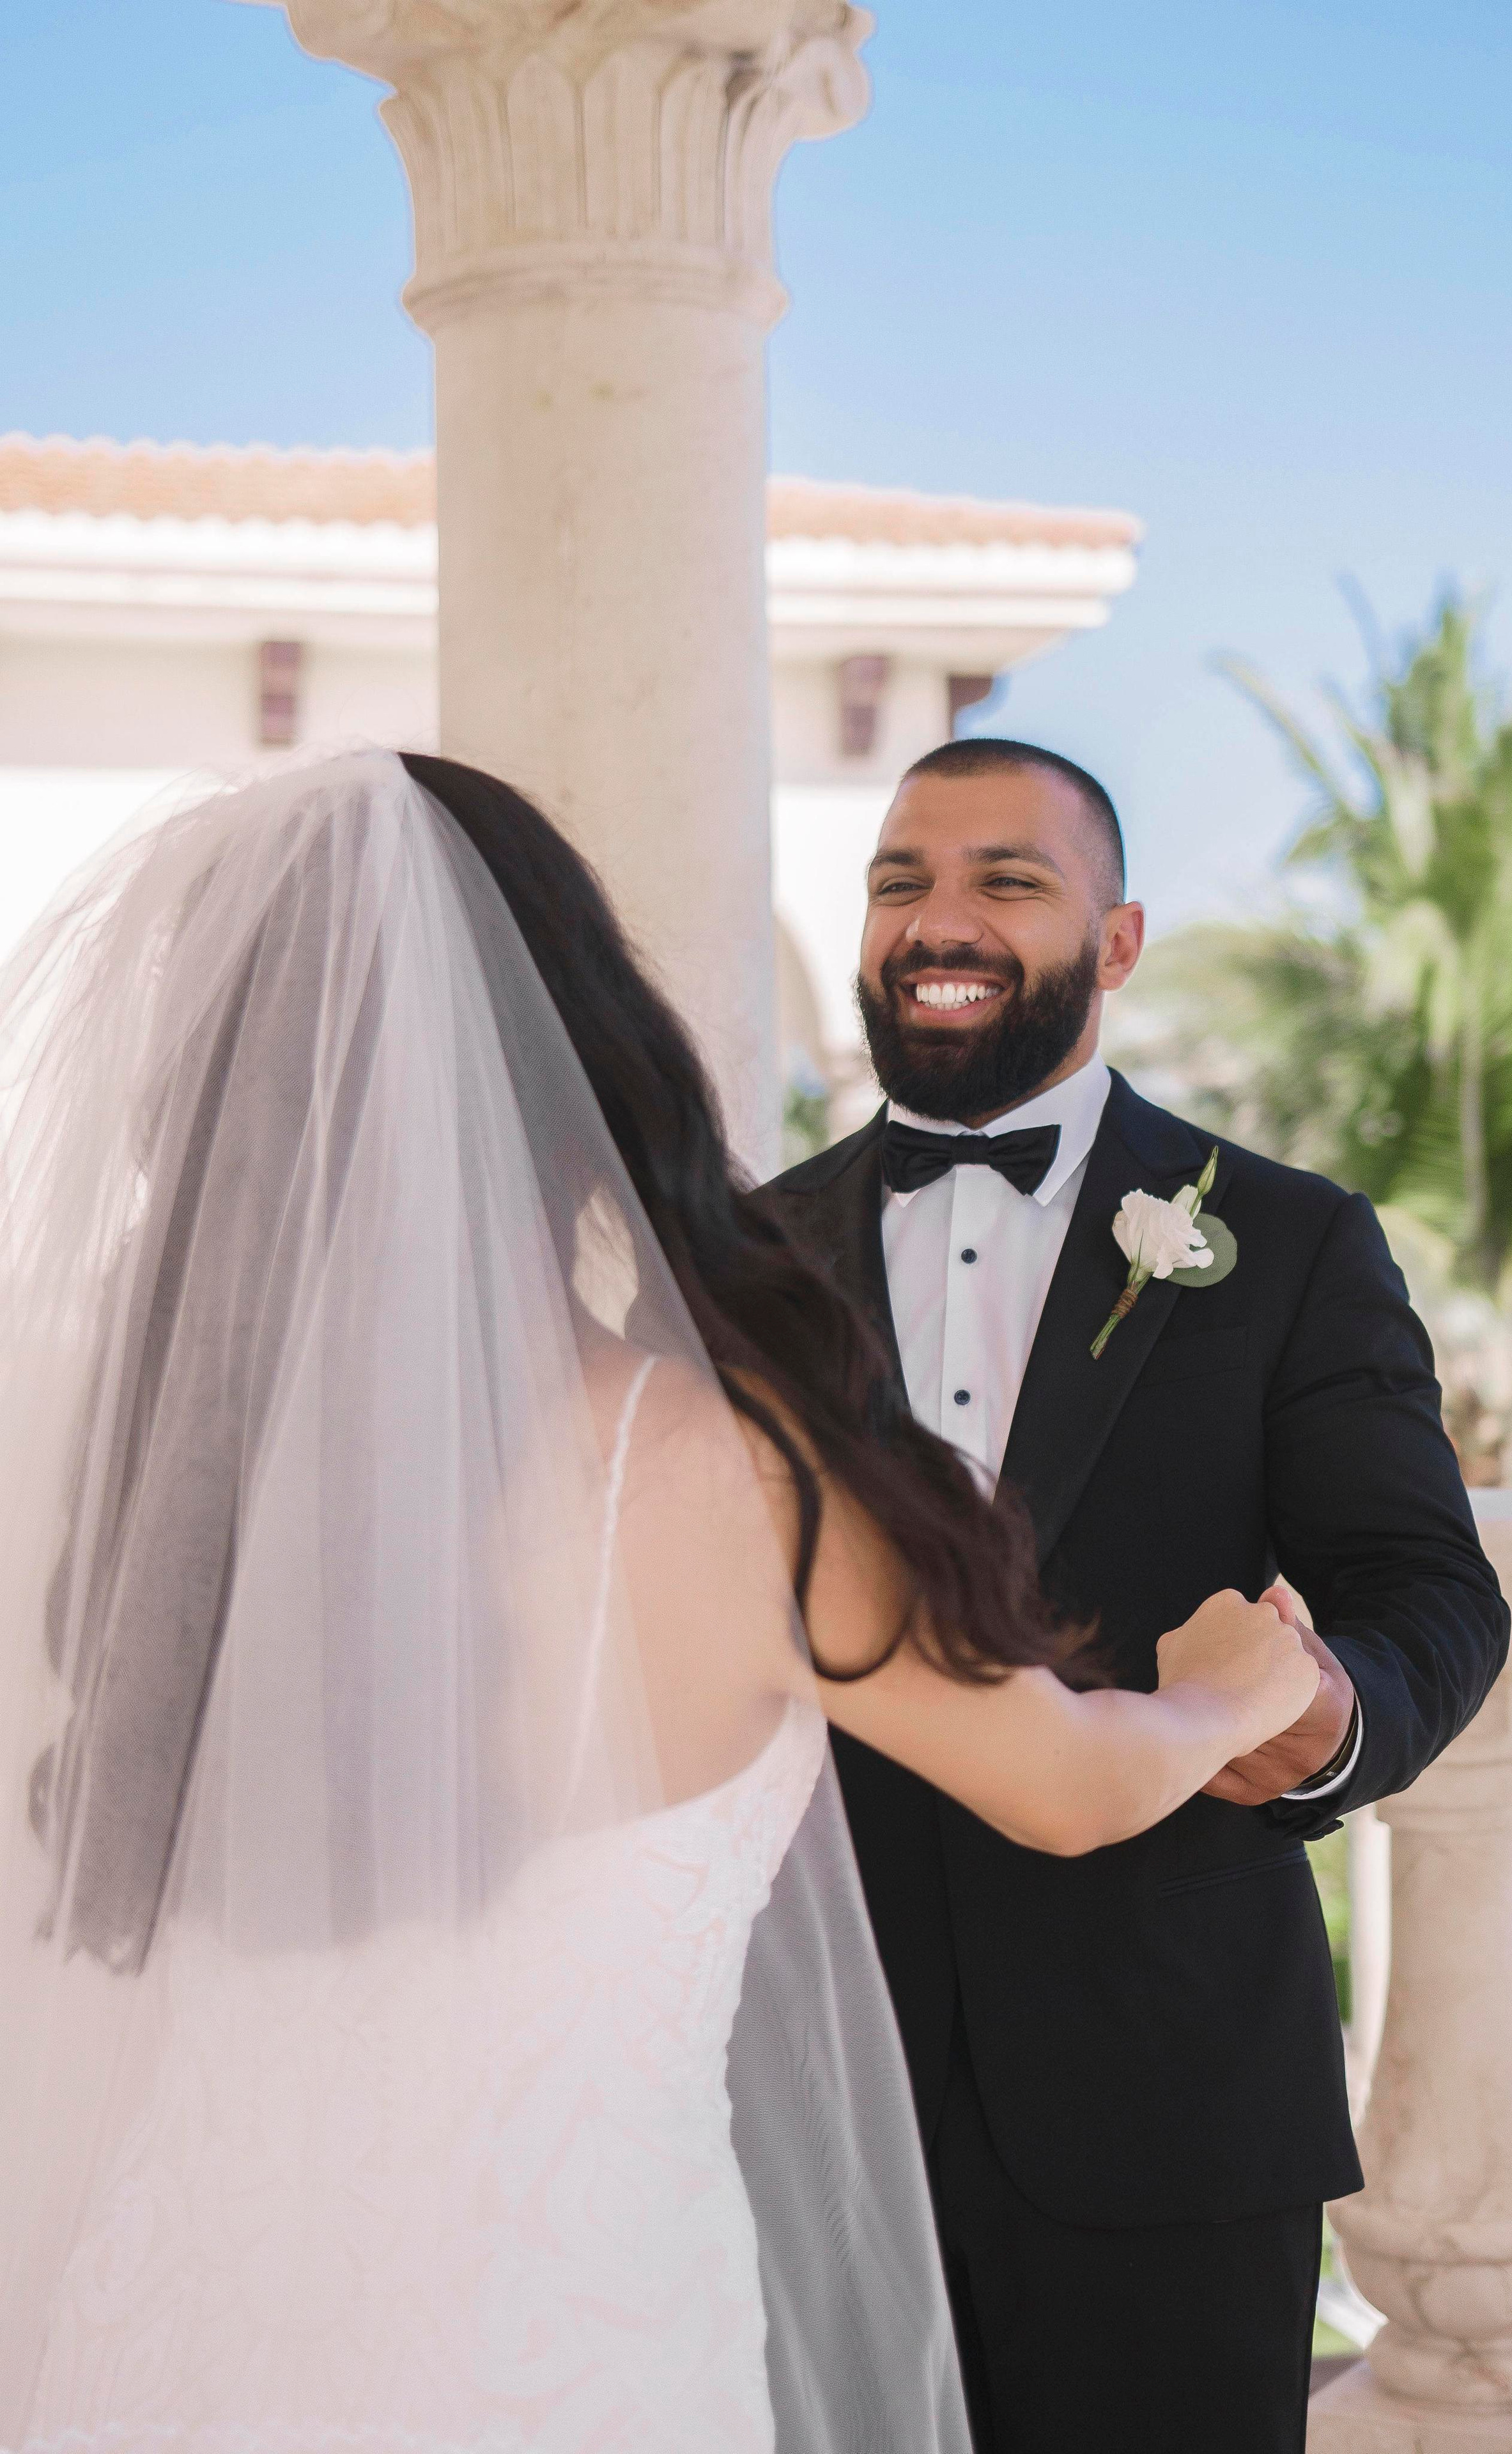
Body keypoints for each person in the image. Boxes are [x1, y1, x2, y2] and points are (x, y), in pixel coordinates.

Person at [0, 749, 1315, 2454]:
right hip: (550, 2344)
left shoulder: (148, 1484)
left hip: (176, 2317)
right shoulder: (706, 1466)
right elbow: (1062, 1781)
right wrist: (1233, 1688)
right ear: (572, 1064)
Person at [758, 736, 1511, 2454]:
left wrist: (1325, 1721)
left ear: (1117, 942)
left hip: (1172, 2106)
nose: (938, 921)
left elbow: (1430, 1594)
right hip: (801, 2092)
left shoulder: (1294, 1243)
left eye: (1006, 881)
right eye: (901, 882)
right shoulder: (741, 1264)